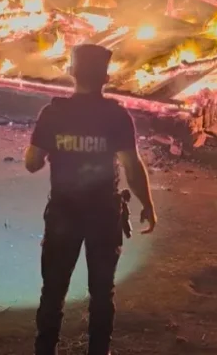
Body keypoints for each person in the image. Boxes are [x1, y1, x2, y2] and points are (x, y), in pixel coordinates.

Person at [24, 43, 157, 355]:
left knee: (53, 291)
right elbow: (131, 166)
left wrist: (46, 151)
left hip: (62, 214)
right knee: (101, 292)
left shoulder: (52, 114)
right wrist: (148, 205)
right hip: (103, 214)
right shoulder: (117, 116)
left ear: (71, 73)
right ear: (106, 78)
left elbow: (32, 163)